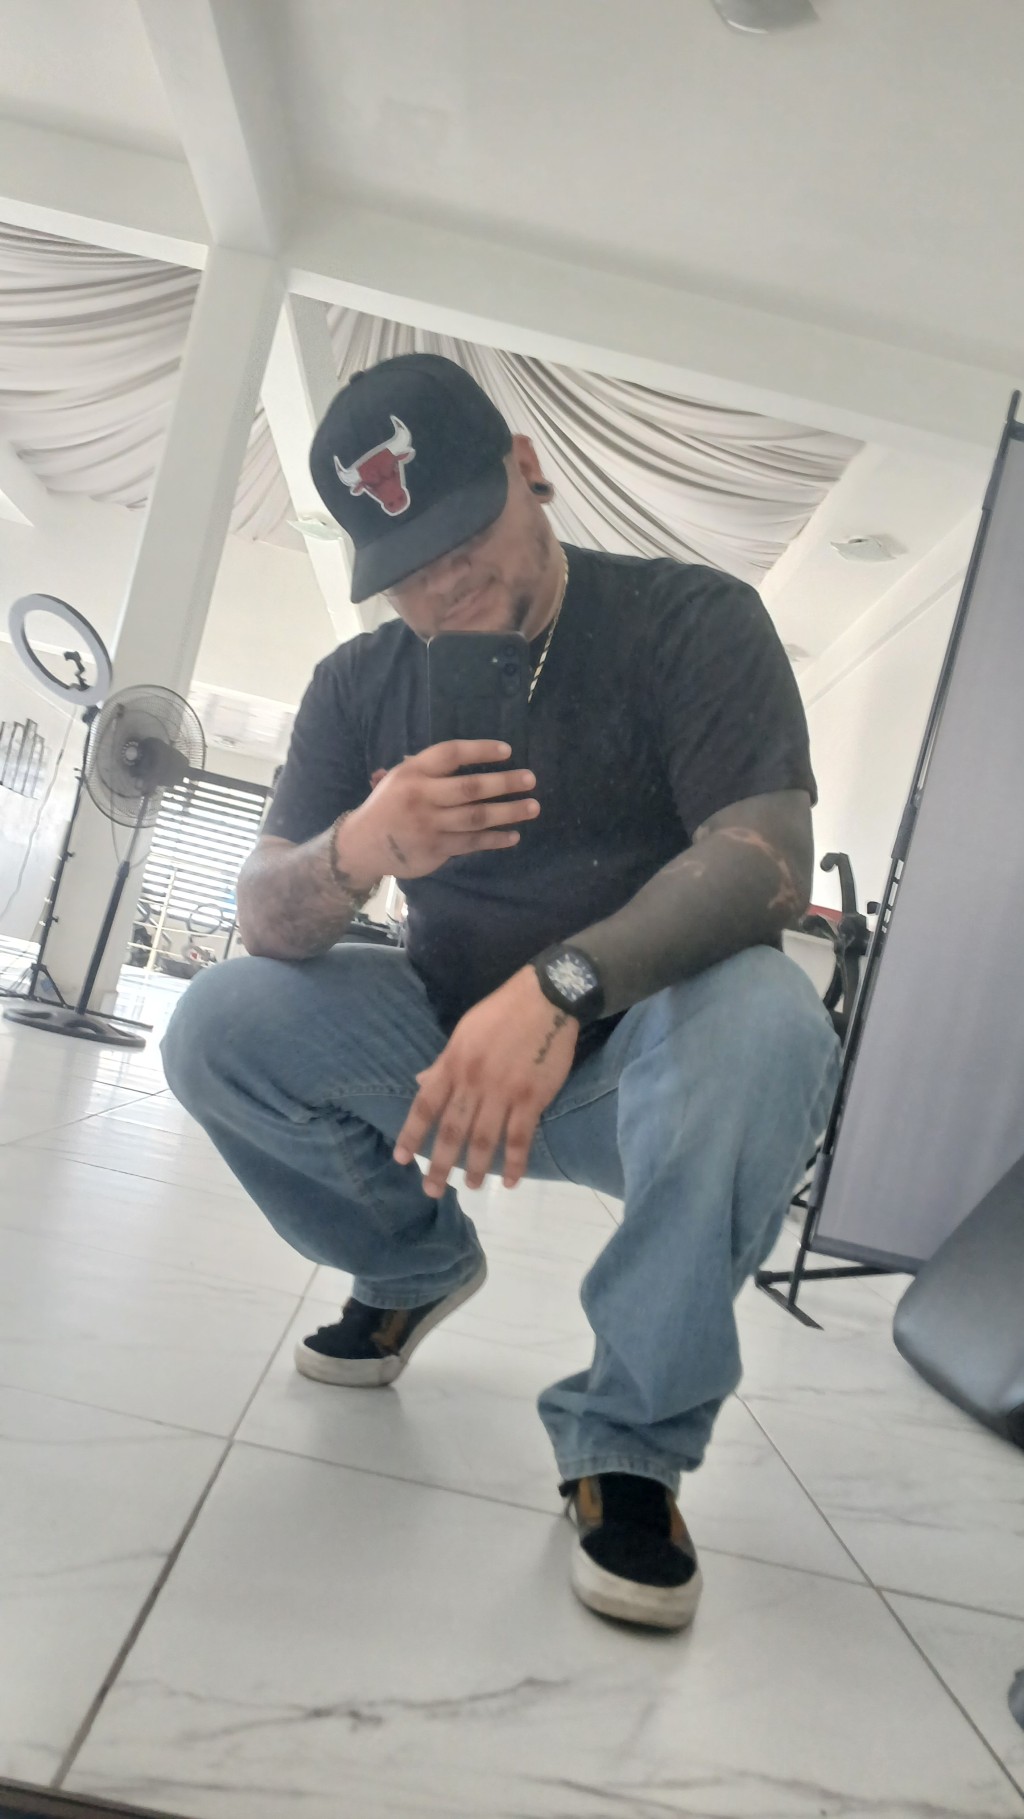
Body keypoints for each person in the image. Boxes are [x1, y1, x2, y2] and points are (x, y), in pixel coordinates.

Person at [162, 353, 842, 1634]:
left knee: (771, 1018)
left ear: (528, 469)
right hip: (437, 1046)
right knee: (217, 1025)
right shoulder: (358, 686)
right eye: (404, 564)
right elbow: (261, 915)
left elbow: (765, 861)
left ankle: (628, 1444)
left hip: (649, 1061)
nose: (442, 583)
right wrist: (361, 847)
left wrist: (561, 987)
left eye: (464, 533)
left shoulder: (690, 621)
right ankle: (410, 1264)